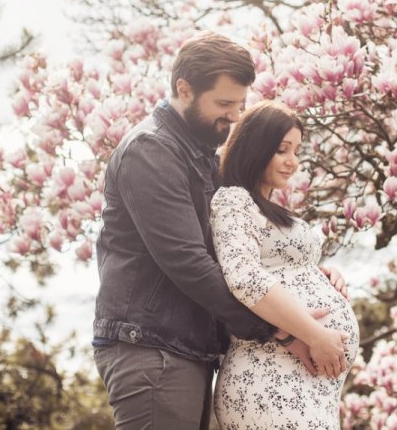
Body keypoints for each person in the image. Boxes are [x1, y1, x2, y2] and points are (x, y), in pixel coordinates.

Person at [92, 32, 349, 429]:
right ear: (185, 89)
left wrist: (308, 274)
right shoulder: (152, 151)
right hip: (152, 347)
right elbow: (189, 261)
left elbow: (233, 250)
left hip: (186, 349)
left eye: (240, 104)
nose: (234, 115)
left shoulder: (199, 157)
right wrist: (281, 330)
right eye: (224, 103)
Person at [211, 101, 360, 429]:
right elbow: (243, 277)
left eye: (297, 150)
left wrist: (320, 275)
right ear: (255, 148)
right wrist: (316, 335)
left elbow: (276, 265)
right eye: (282, 150)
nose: (293, 162)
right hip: (266, 373)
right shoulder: (234, 199)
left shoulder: (267, 207)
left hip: (303, 382)